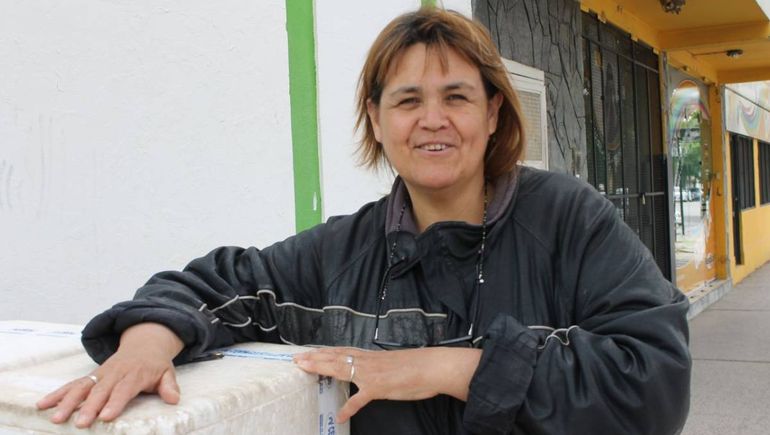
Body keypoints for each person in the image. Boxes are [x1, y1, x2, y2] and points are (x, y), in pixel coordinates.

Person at [37, 6, 691, 435]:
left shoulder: (568, 219)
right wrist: (150, 340)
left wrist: (452, 367)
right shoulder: (341, 250)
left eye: (456, 97)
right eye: (407, 101)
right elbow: (213, 286)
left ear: (493, 113)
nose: (432, 119)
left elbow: (656, 380)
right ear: (377, 121)